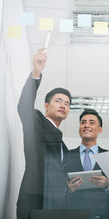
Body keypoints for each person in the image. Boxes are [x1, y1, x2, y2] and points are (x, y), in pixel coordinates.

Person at [16, 48, 72, 219]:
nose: (63, 105)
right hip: (34, 200)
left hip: (55, 205)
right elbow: (24, 105)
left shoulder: (63, 146)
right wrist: (36, 73)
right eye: (58, 101)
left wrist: (67, 188)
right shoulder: (36, 121)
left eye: (67, 104)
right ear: (46, 106)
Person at [66, 109, 109, 219]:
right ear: (79, 129)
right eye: (83, 122)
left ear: (100, 129)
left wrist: (108, 184)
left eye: (92, 122)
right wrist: (67, 188)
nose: (86, 125)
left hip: (103, 214)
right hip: (73, 214)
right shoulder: (66, 155)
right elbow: (57, 185)